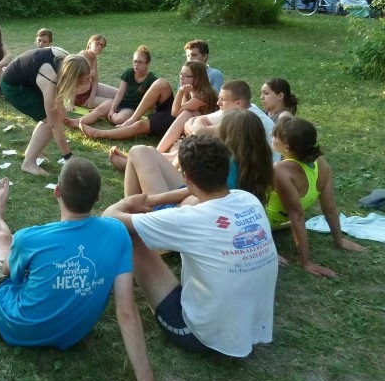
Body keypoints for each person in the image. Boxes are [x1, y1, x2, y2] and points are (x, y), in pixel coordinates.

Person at [0, 163, 186, 381]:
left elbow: (9, 274)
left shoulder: (29, 237)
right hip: (71, 335)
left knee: (2, 241)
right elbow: (127, 311)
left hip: (16, 326)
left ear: (57, 192)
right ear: (98, 197)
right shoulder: (117, 232)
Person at [103, 135, 279, 358]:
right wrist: (153, 200)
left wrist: (129, 203)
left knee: (127, 233)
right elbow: (189, 193)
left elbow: (110, 218)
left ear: (187, 178)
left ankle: (112, 279)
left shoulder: (189, 219)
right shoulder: (247, 199)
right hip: (249, 326)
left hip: (199, 335)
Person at [115, 109, 273, 209]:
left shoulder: (226, 162)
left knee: (137, 151)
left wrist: (152, 200)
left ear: (229, 134)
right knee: (147, 151)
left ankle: (130, 213)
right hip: (192, 199)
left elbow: (196, 191)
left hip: (182, 213)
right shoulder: (261, 162)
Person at [266, 117, 365, 277]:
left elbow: (297, 216)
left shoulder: (280, 170)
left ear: (287, 147)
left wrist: (306, 262)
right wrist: (339, 240)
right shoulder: (321, 163)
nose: (272, 136)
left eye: (275, 135)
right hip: (282, 223)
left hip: (262, 226)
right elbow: (330, 208)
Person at [78, 61, 216, 145]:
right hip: (179, 114)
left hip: (181, 123)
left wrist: (180, 92)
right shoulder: (191, 89)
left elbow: (176, 113)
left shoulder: (202, 95)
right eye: (181, 74)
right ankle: (132, 118)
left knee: (140, 125)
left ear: (197, 78)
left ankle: (98, 133)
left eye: (186, 76)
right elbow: (179, 108)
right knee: (161, 83)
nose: (181, 78)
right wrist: (184, 93)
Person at [0, 47, 89, 176]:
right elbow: (54, 125)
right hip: (13, 87)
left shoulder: (67, 60)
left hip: (29, 81)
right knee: (50, 121)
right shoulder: (49, 78)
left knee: (56, 117)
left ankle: (33, 152)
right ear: (71, 76)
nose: (80, 85)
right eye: (79, 82)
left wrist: (63, 114)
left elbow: (59, 95)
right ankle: (28, 163)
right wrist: (69, 158)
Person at [185, 80, 277, 159]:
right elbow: (194, 120)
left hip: (262, 169)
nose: (218, 103)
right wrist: (195, 130)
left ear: (238, 103)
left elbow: (198, 132)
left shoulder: (245, 119)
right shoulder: (240, 108)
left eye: (223, 99)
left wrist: (195, 130)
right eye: (219, 98)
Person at [71, 45, 157, 129]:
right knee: (98, 111)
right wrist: (112, 109)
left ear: (147, 64)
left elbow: (152, 101)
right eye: (135, 61)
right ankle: (77, 122)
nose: (136, 64)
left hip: (131, 108)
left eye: (140, 62)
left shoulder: (151, 79)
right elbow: (120, 93)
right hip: (120, 102)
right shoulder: (129, 73)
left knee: (117, 119)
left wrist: (152, 116)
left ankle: (107, 115)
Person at [73, 34, 119, 109]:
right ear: (89, 44)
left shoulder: (93, 57)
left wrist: (92, 97)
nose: (100, 47)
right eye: (97, 43)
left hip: (90, 88)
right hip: (80, 96)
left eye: (102, 45)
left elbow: (95, 80)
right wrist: (71, 103)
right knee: (114, 103)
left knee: (119, 94)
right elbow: (71, 81)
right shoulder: (80, 58)